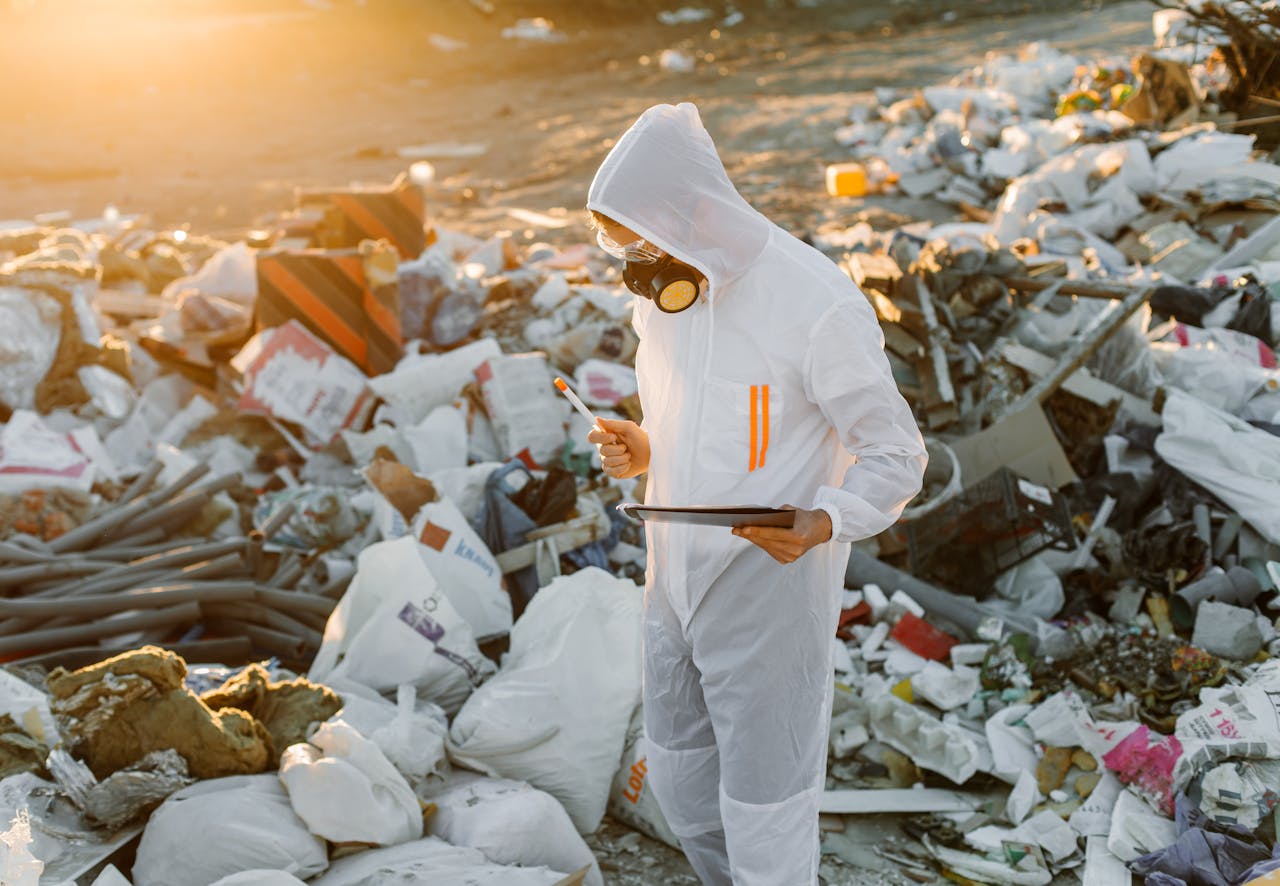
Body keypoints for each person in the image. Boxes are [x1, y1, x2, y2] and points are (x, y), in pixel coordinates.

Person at [584, 103, 928, 885]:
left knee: (765, 808)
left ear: (693, 212)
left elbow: (895, 453)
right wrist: (642, 447)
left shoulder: (815, 303)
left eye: (641, 241)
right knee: (680, 779)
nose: (636, 264)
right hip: (671, 578)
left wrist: (826, 519)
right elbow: (691, 424)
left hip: (765, 583)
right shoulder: (666, 297)